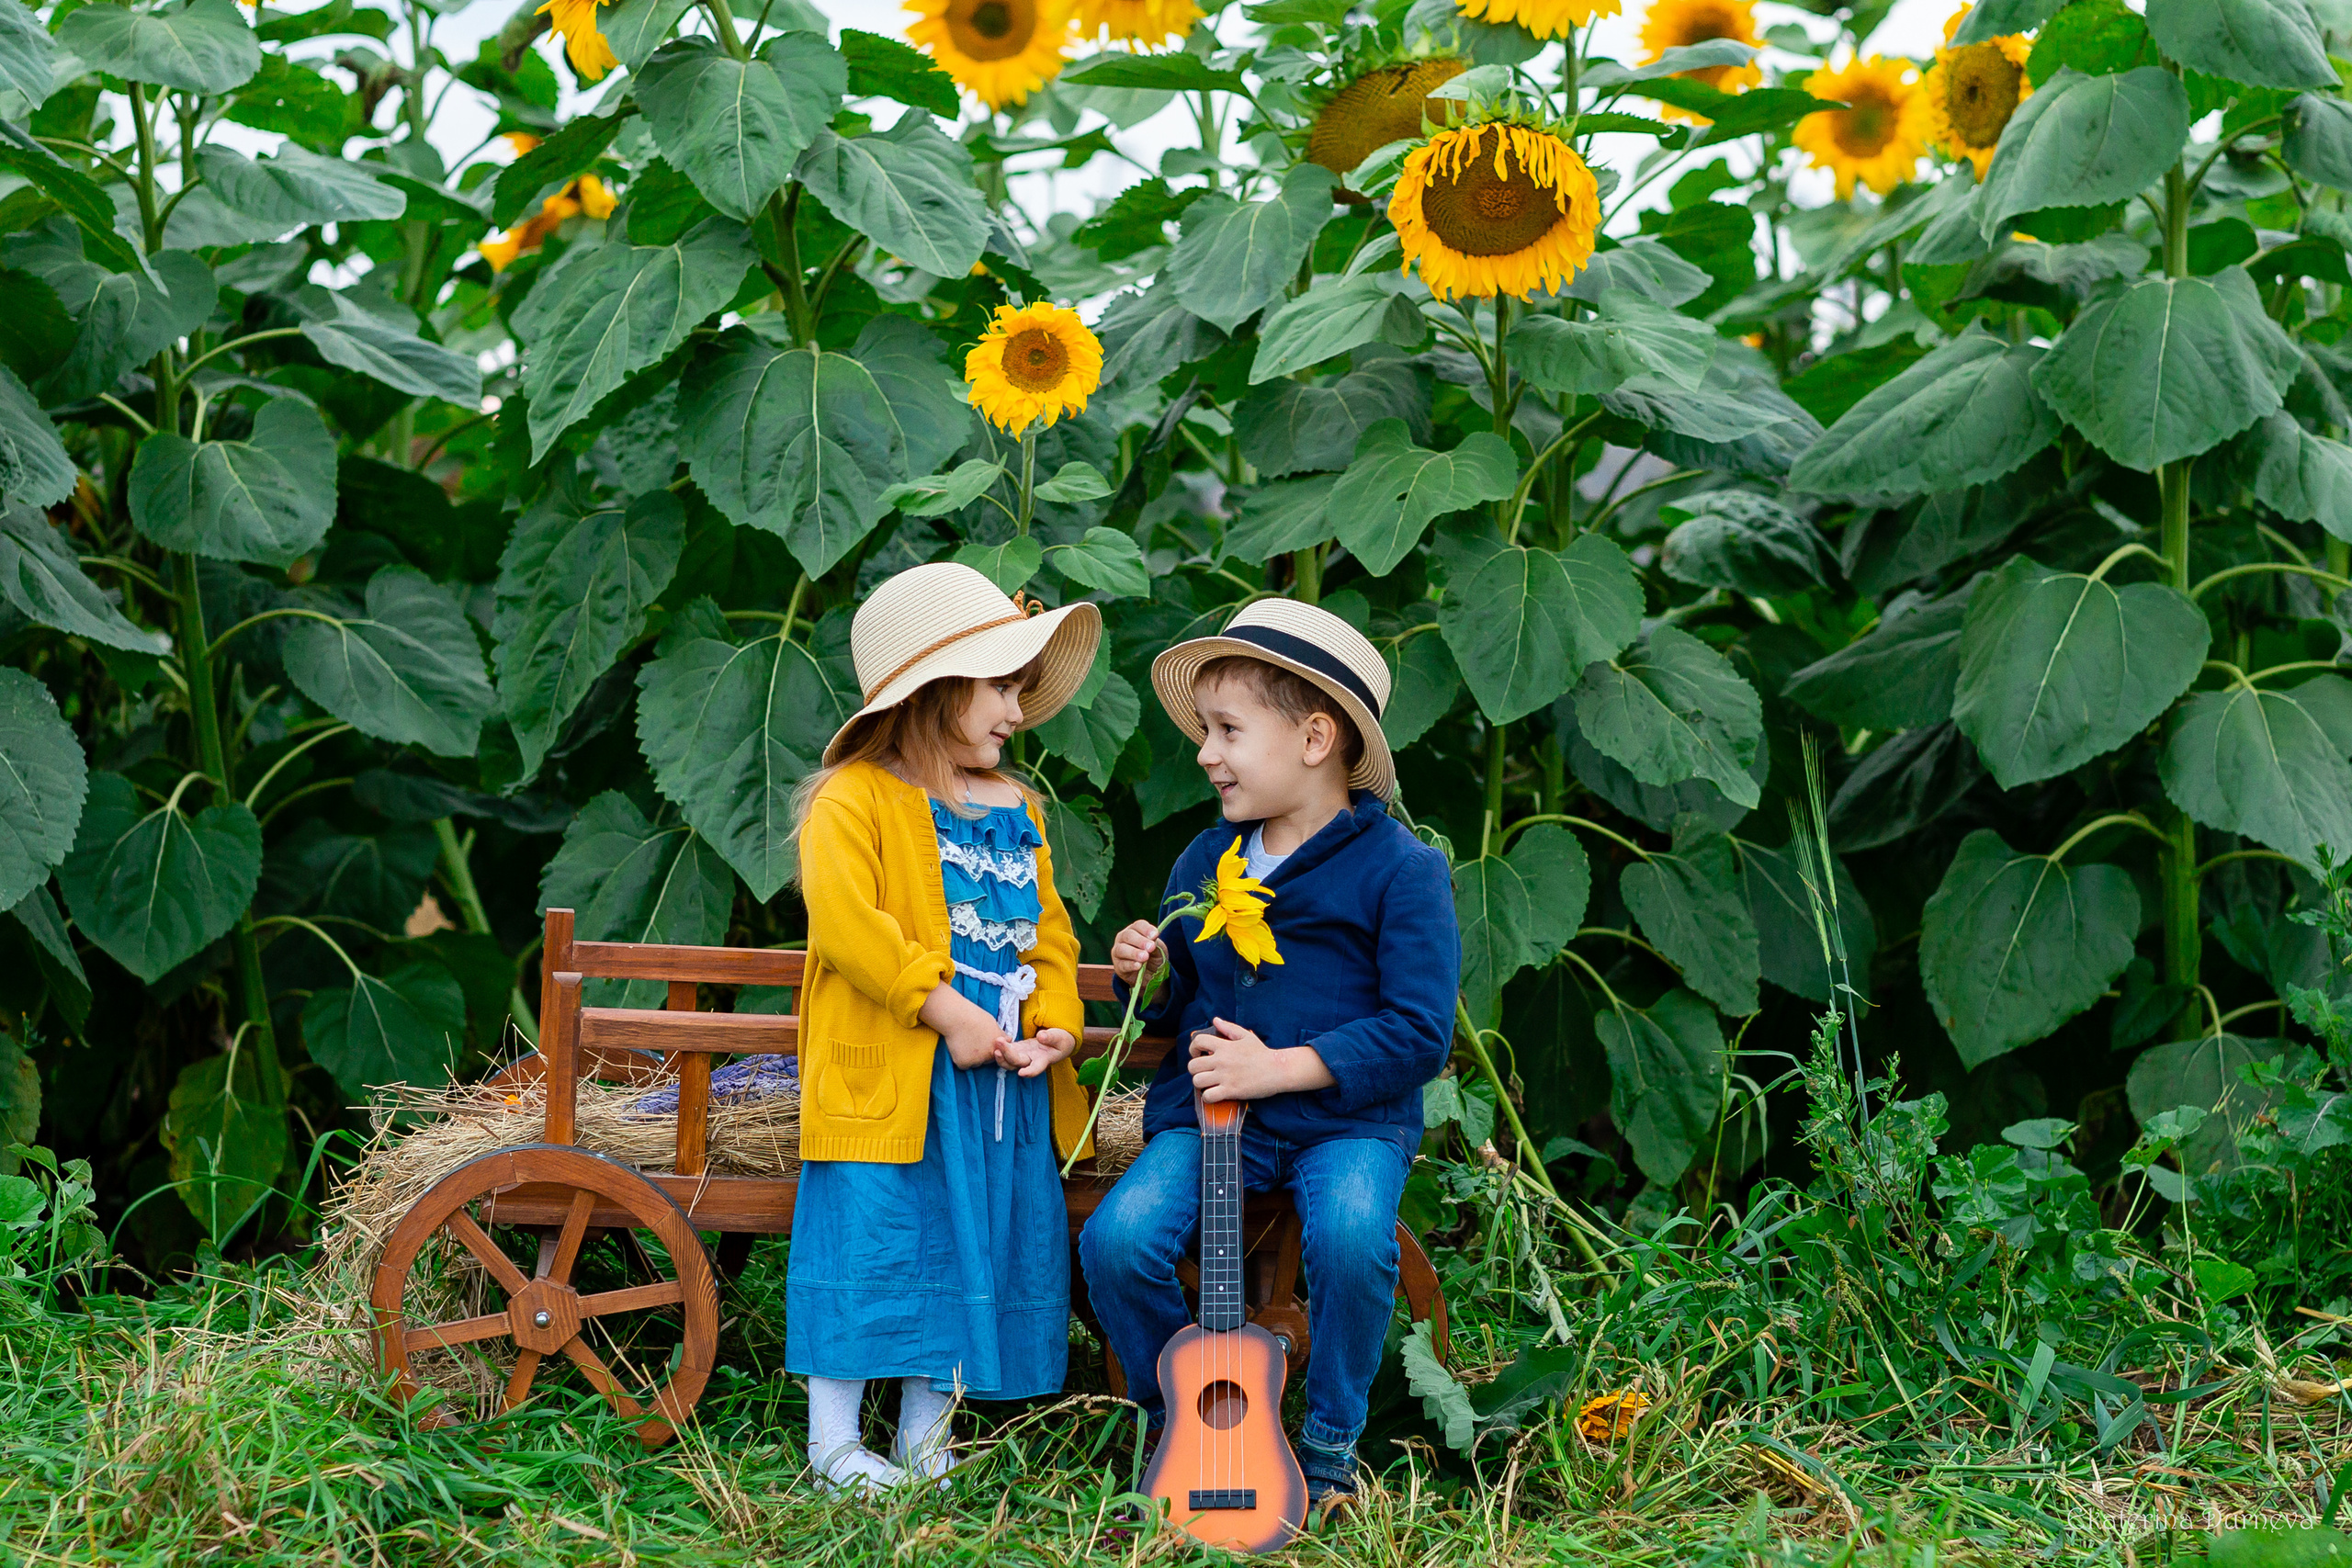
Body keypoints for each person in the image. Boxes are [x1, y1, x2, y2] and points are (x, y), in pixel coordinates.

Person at [1079, 598, 1461, 1512]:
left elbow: (1418, 1032)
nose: (1205, 753)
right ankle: (1183, 1414)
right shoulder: (1206, 858)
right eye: (1204, 731)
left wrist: (1281, 1068)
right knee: (1117, 1241)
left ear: (1316, 738)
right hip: (1215, 1120)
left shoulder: (1401, 872)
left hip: (1345, 1121)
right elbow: (1170, 1009)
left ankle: (1329, 1451)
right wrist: (1149, 968)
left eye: (1227, 730)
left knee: (1351, 1234)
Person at [786, 561, 1102, 1494]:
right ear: (933, 691)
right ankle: (835, 1443)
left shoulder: (1019, 810)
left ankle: (928, 1433)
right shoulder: (855, 799)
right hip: (897, 1072)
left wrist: (1056, 1026)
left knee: (977, 1239)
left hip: (999, 1077)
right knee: (876, 1236)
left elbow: (1049, 937)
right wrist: (946, 1009)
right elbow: (849, 927)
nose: (1018, 708)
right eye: (1001, 685)